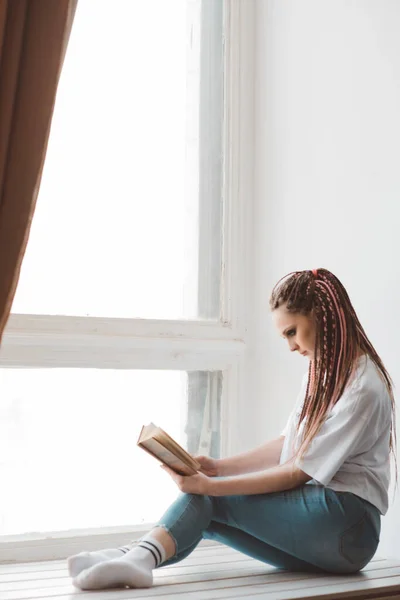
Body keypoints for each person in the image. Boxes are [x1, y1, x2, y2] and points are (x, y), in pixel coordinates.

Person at [69, 268, 396, 590]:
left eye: (292, 331)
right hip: (331, 527)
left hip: (349, 525)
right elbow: (286, 445)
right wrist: (217, 468)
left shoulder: (362, 386)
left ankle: (136, 557)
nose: (290, 346)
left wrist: (209, 485)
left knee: (210, 498)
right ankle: (133, 557)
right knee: (205, 516)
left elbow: (297, 471)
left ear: (322, 316)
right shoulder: (321, 372)